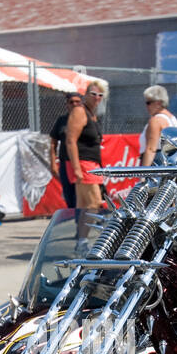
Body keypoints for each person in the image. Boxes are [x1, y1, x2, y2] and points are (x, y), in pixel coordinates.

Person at [66, 79, 108, 244]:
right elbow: (70, 140)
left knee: (85, 206)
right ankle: (83, 241)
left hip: (91, 164)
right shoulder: (80, 111)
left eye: (100, 95)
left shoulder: (91, 114)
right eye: (93, 94)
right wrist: (76, 168)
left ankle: (81, 241)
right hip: (84, 164)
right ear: (86, 94)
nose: (97, 97)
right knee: (94, 203)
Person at [49, 91, 82, 207]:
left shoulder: (85, 119)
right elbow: (53, 143)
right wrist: (53, 163)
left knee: (84, 198)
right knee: (70, 197)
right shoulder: (62, 121)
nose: (74, 104)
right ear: (67, 104)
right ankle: (76, 222)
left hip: (82, 163)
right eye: (71, 102)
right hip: (66, 163)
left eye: (77, 102)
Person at [139, 85, 177, 166]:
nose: (146, 106)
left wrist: (143, 174)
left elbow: (151, 149)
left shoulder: (156, 120)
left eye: (148, 102)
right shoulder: (172, 119)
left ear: (159, 103)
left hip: (156, 163)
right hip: (170, 162)